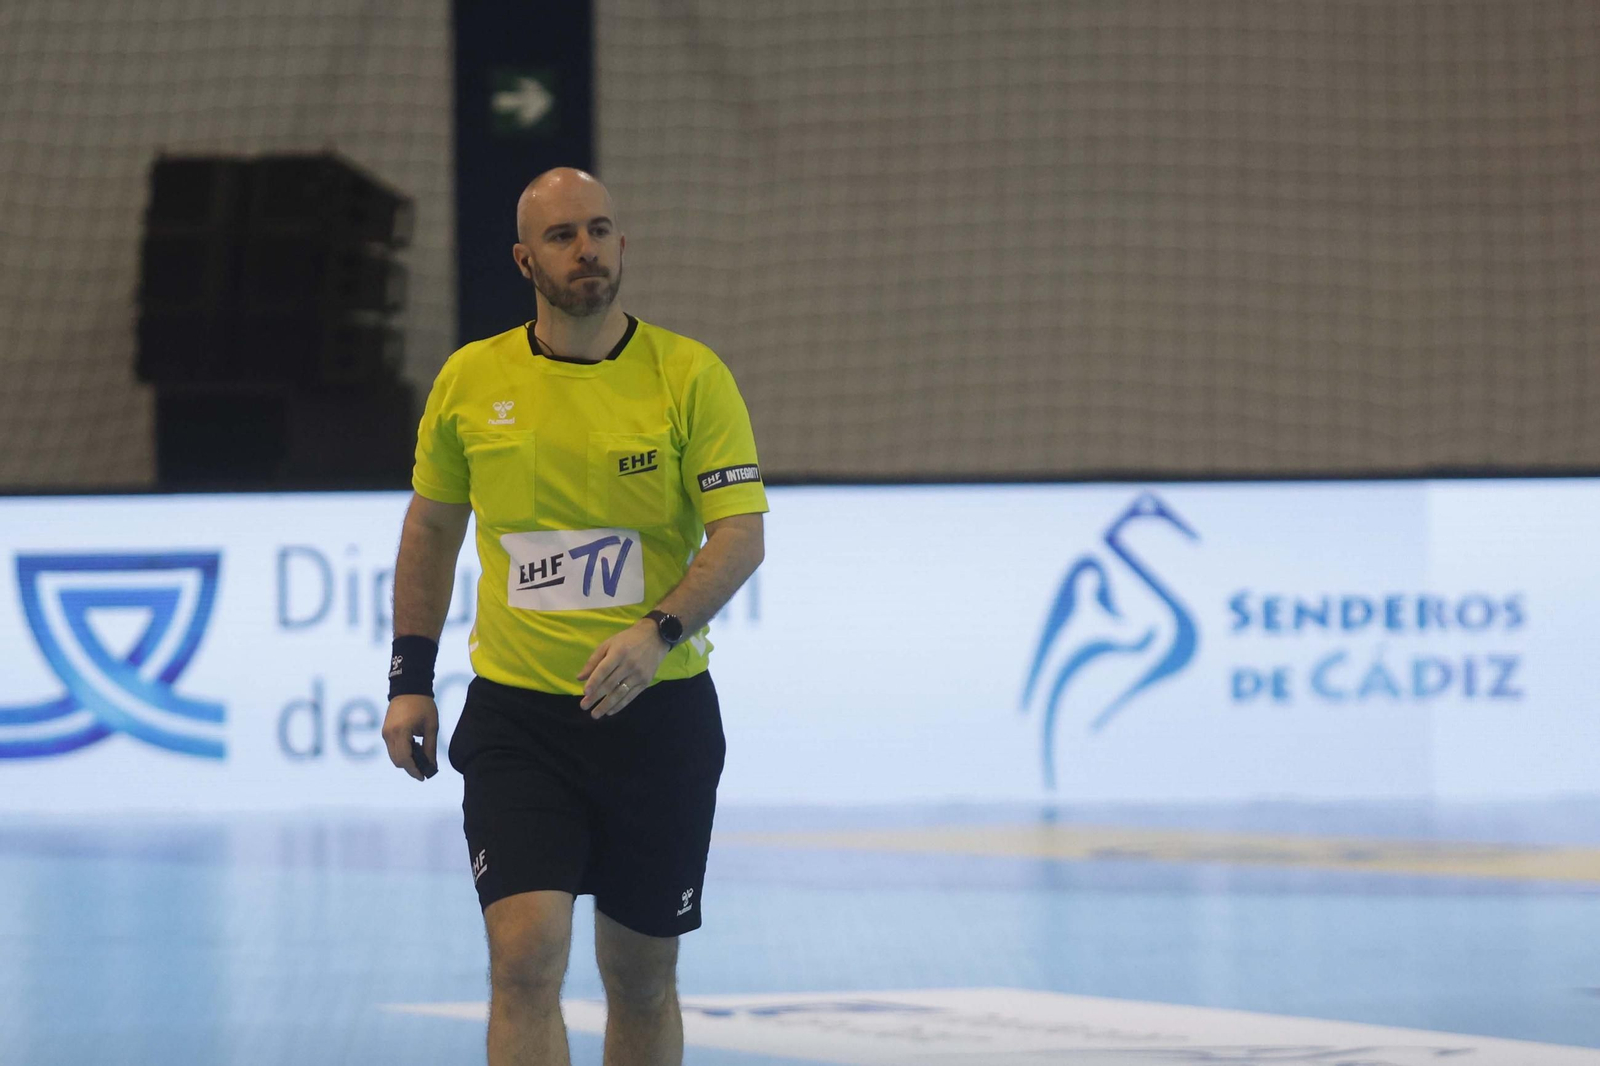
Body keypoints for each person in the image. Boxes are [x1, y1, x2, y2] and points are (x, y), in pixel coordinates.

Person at [380, 167, 767, 1066]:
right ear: (525, 259)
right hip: (521, 719)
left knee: (639, 977)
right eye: (561, 235)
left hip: (657, 716)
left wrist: (656, 630)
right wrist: (409, 681)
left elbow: (739, 536)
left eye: (600, 229)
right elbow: (431, 531)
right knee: (523, 962)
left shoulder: (689, 376)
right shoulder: (472, 379)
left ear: (622, 245)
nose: (585, 248)